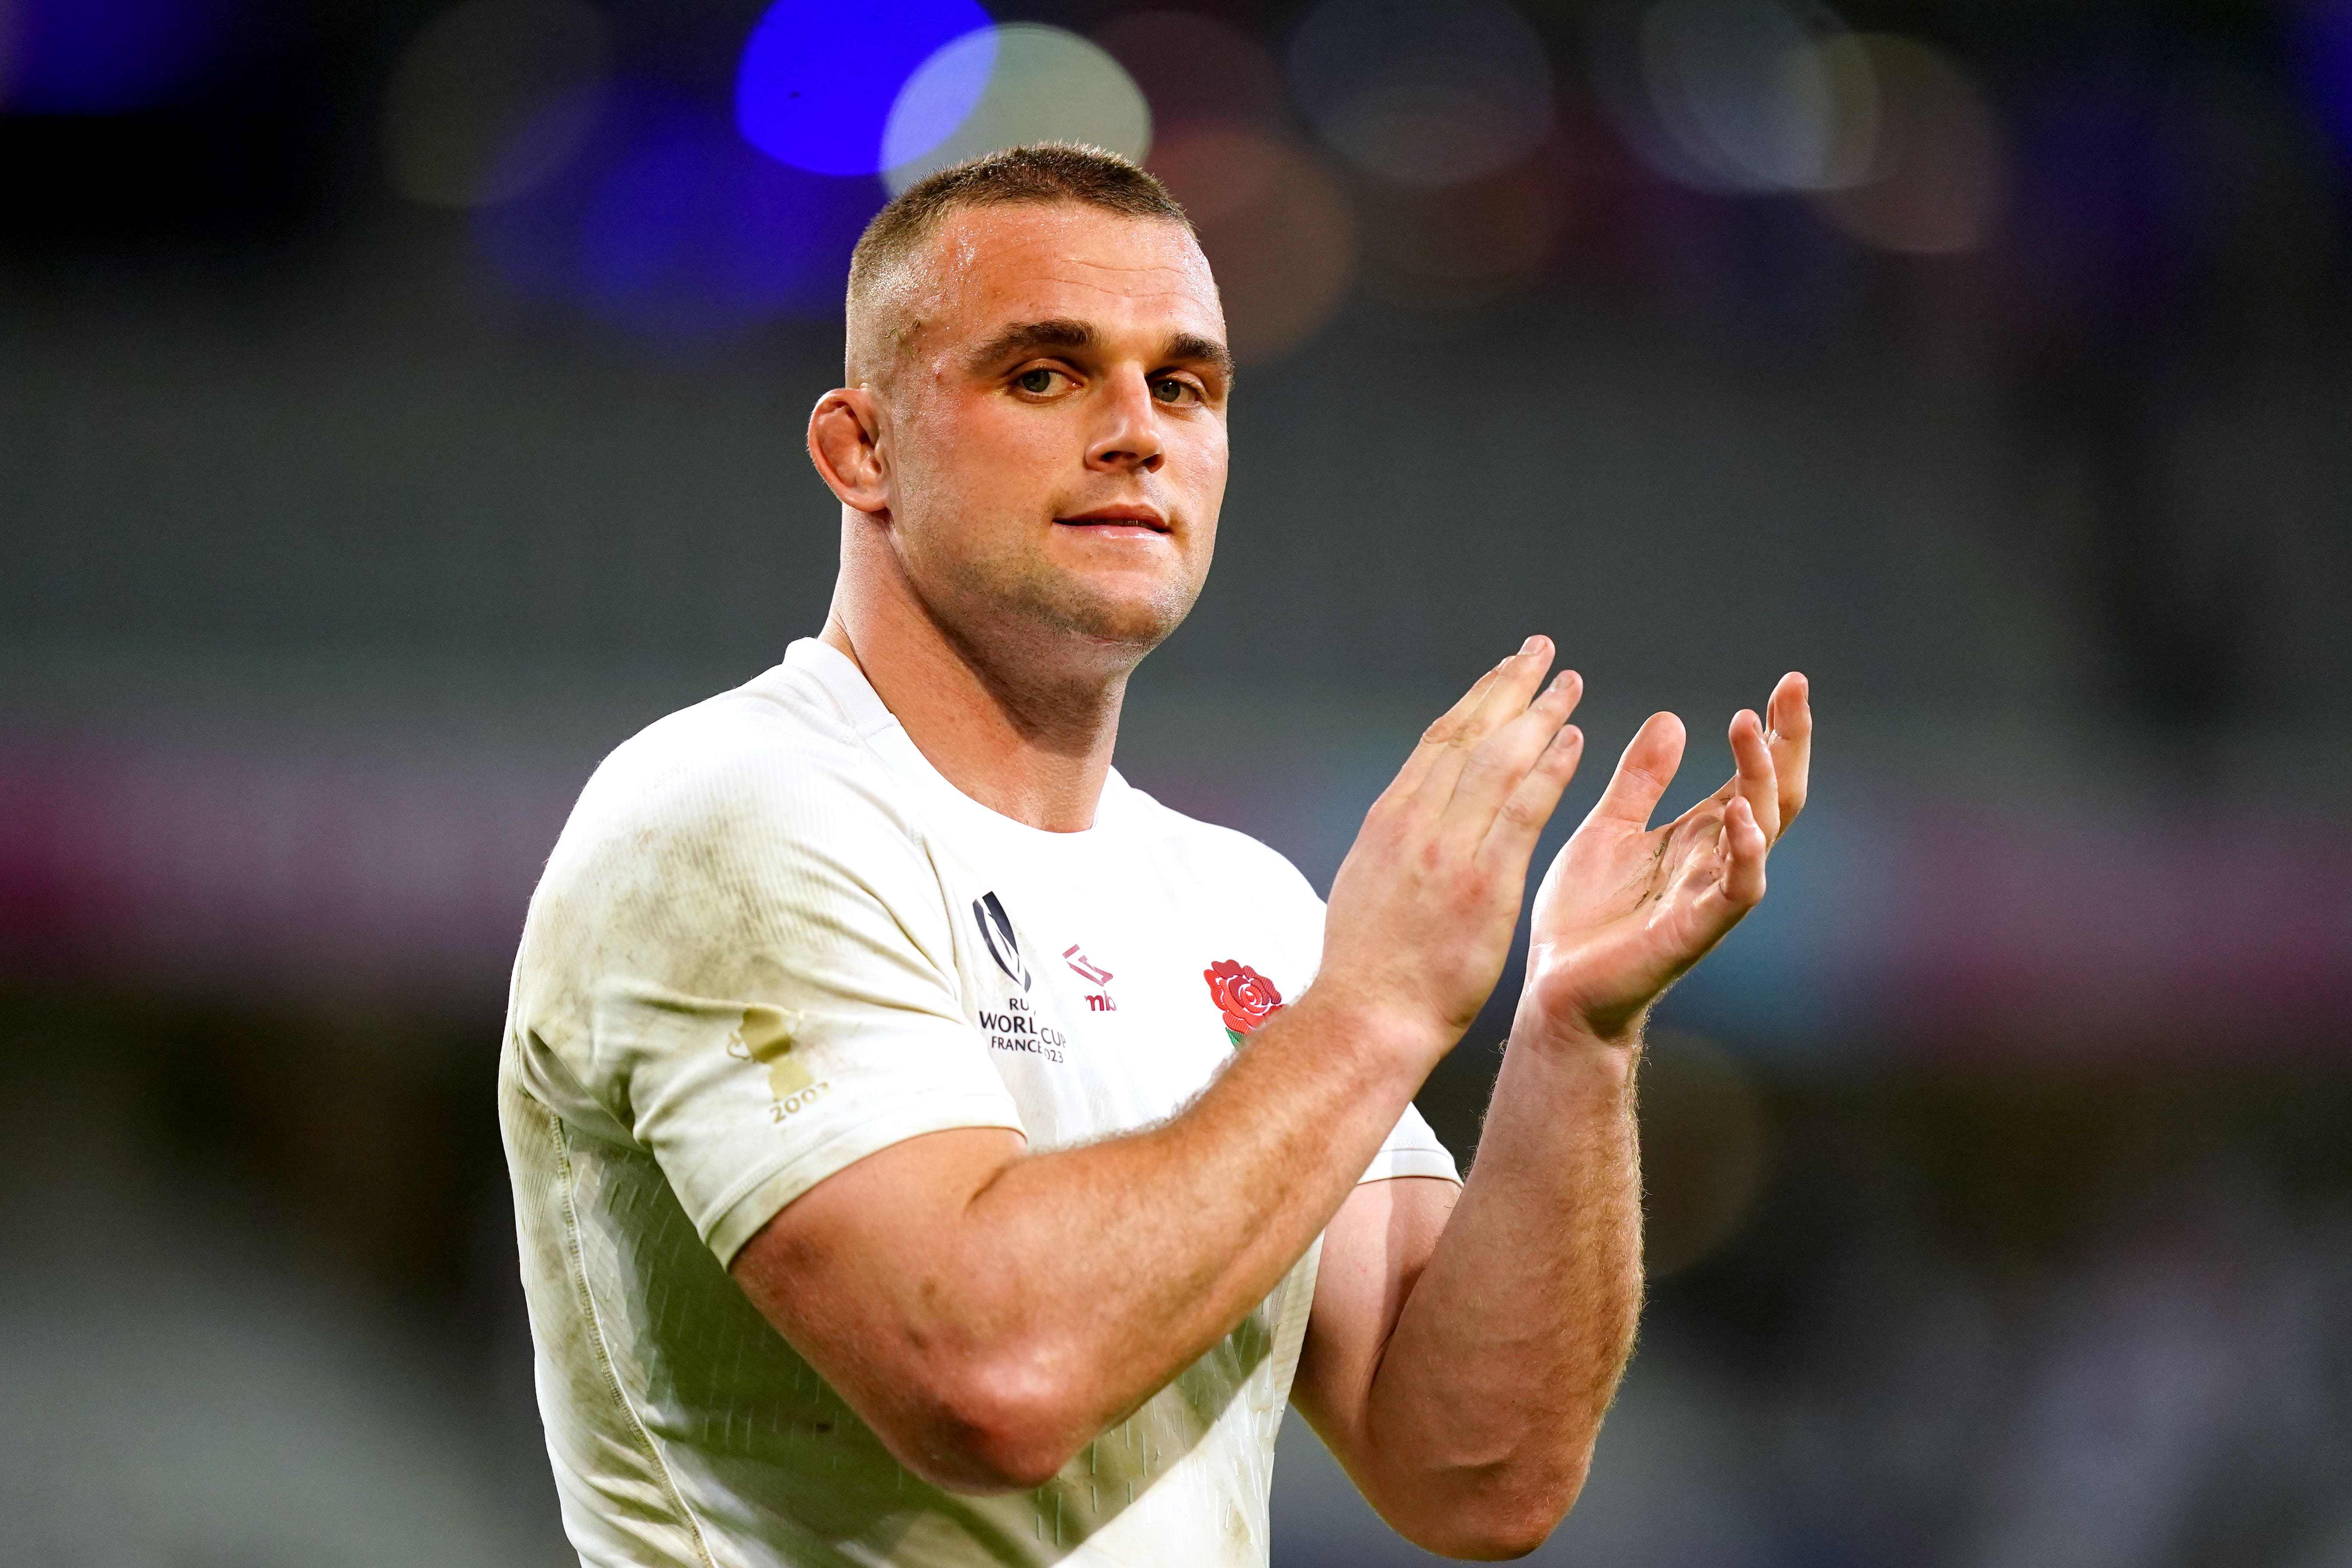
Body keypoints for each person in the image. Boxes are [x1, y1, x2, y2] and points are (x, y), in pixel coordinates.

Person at [499, 143, 1811, 1568]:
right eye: (1048, 374)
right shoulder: (734, 819)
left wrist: (1576, 1032)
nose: (1138, 430)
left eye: (1183, 385)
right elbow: (989, 1381)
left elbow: (1471, 1469)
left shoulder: (1233, 904)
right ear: (860, 449)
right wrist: (1372, 1012)